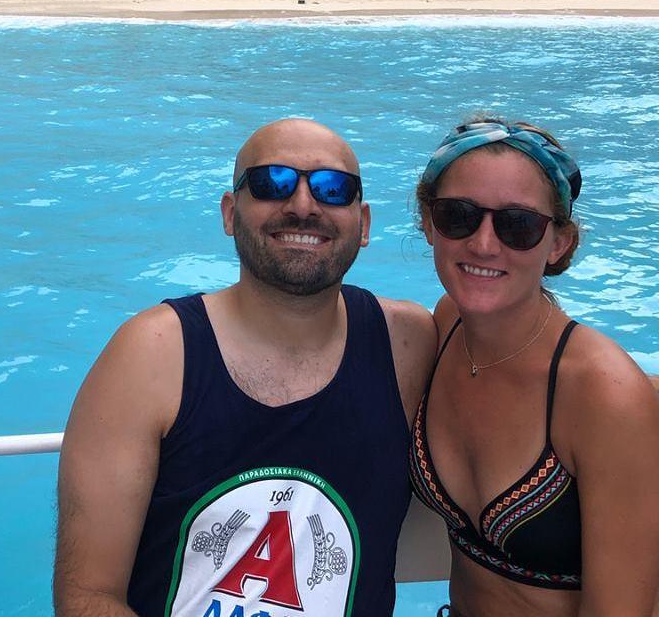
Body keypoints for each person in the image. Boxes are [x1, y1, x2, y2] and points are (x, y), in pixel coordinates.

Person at [54, 118, 437, 617]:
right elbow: (87, 595)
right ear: (230, 213)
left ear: (363, 224)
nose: (303, 205)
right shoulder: (151, 354)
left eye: (333, 189)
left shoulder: (407, 341)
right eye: (271, 182)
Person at [409, 118, 659, 617]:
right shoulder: (449, 324)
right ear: (429, 223)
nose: (484, 244)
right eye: (458, 216)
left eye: (518, 225)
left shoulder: (600, 392)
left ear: (558, 243)